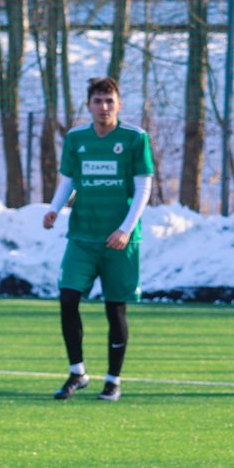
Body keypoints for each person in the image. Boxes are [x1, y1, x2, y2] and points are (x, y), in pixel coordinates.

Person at [41, 76, 155, 402]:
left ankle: (113, 379)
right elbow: (69, 179)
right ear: (88, 105)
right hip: (82, 236)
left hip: (120, 240)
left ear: (119, 104)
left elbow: (143, 187)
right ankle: (77, 372)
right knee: (68, 299)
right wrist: (54, 208)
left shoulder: (135, 138)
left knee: (115, 309)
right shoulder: (76, 138)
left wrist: (126, 228)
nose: (104, 107)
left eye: (109, 101)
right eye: (98, 101)